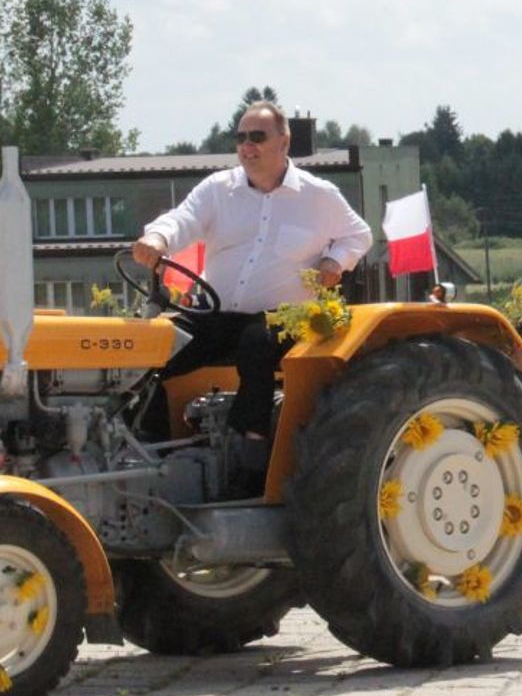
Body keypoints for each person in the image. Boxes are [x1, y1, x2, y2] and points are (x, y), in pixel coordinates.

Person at [132, 100, 373, 493]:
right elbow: (182, 220)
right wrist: (157, 238)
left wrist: (335, 261)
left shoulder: (318, 195)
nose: (247, 146)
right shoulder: (217, 190)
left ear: (284, 141)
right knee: (152, 348)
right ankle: (153, 454)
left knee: (257, 343)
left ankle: (252, 460)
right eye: (241, 138)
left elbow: (359, 235)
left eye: (257, 137)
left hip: (281, 319)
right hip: (216, 313)